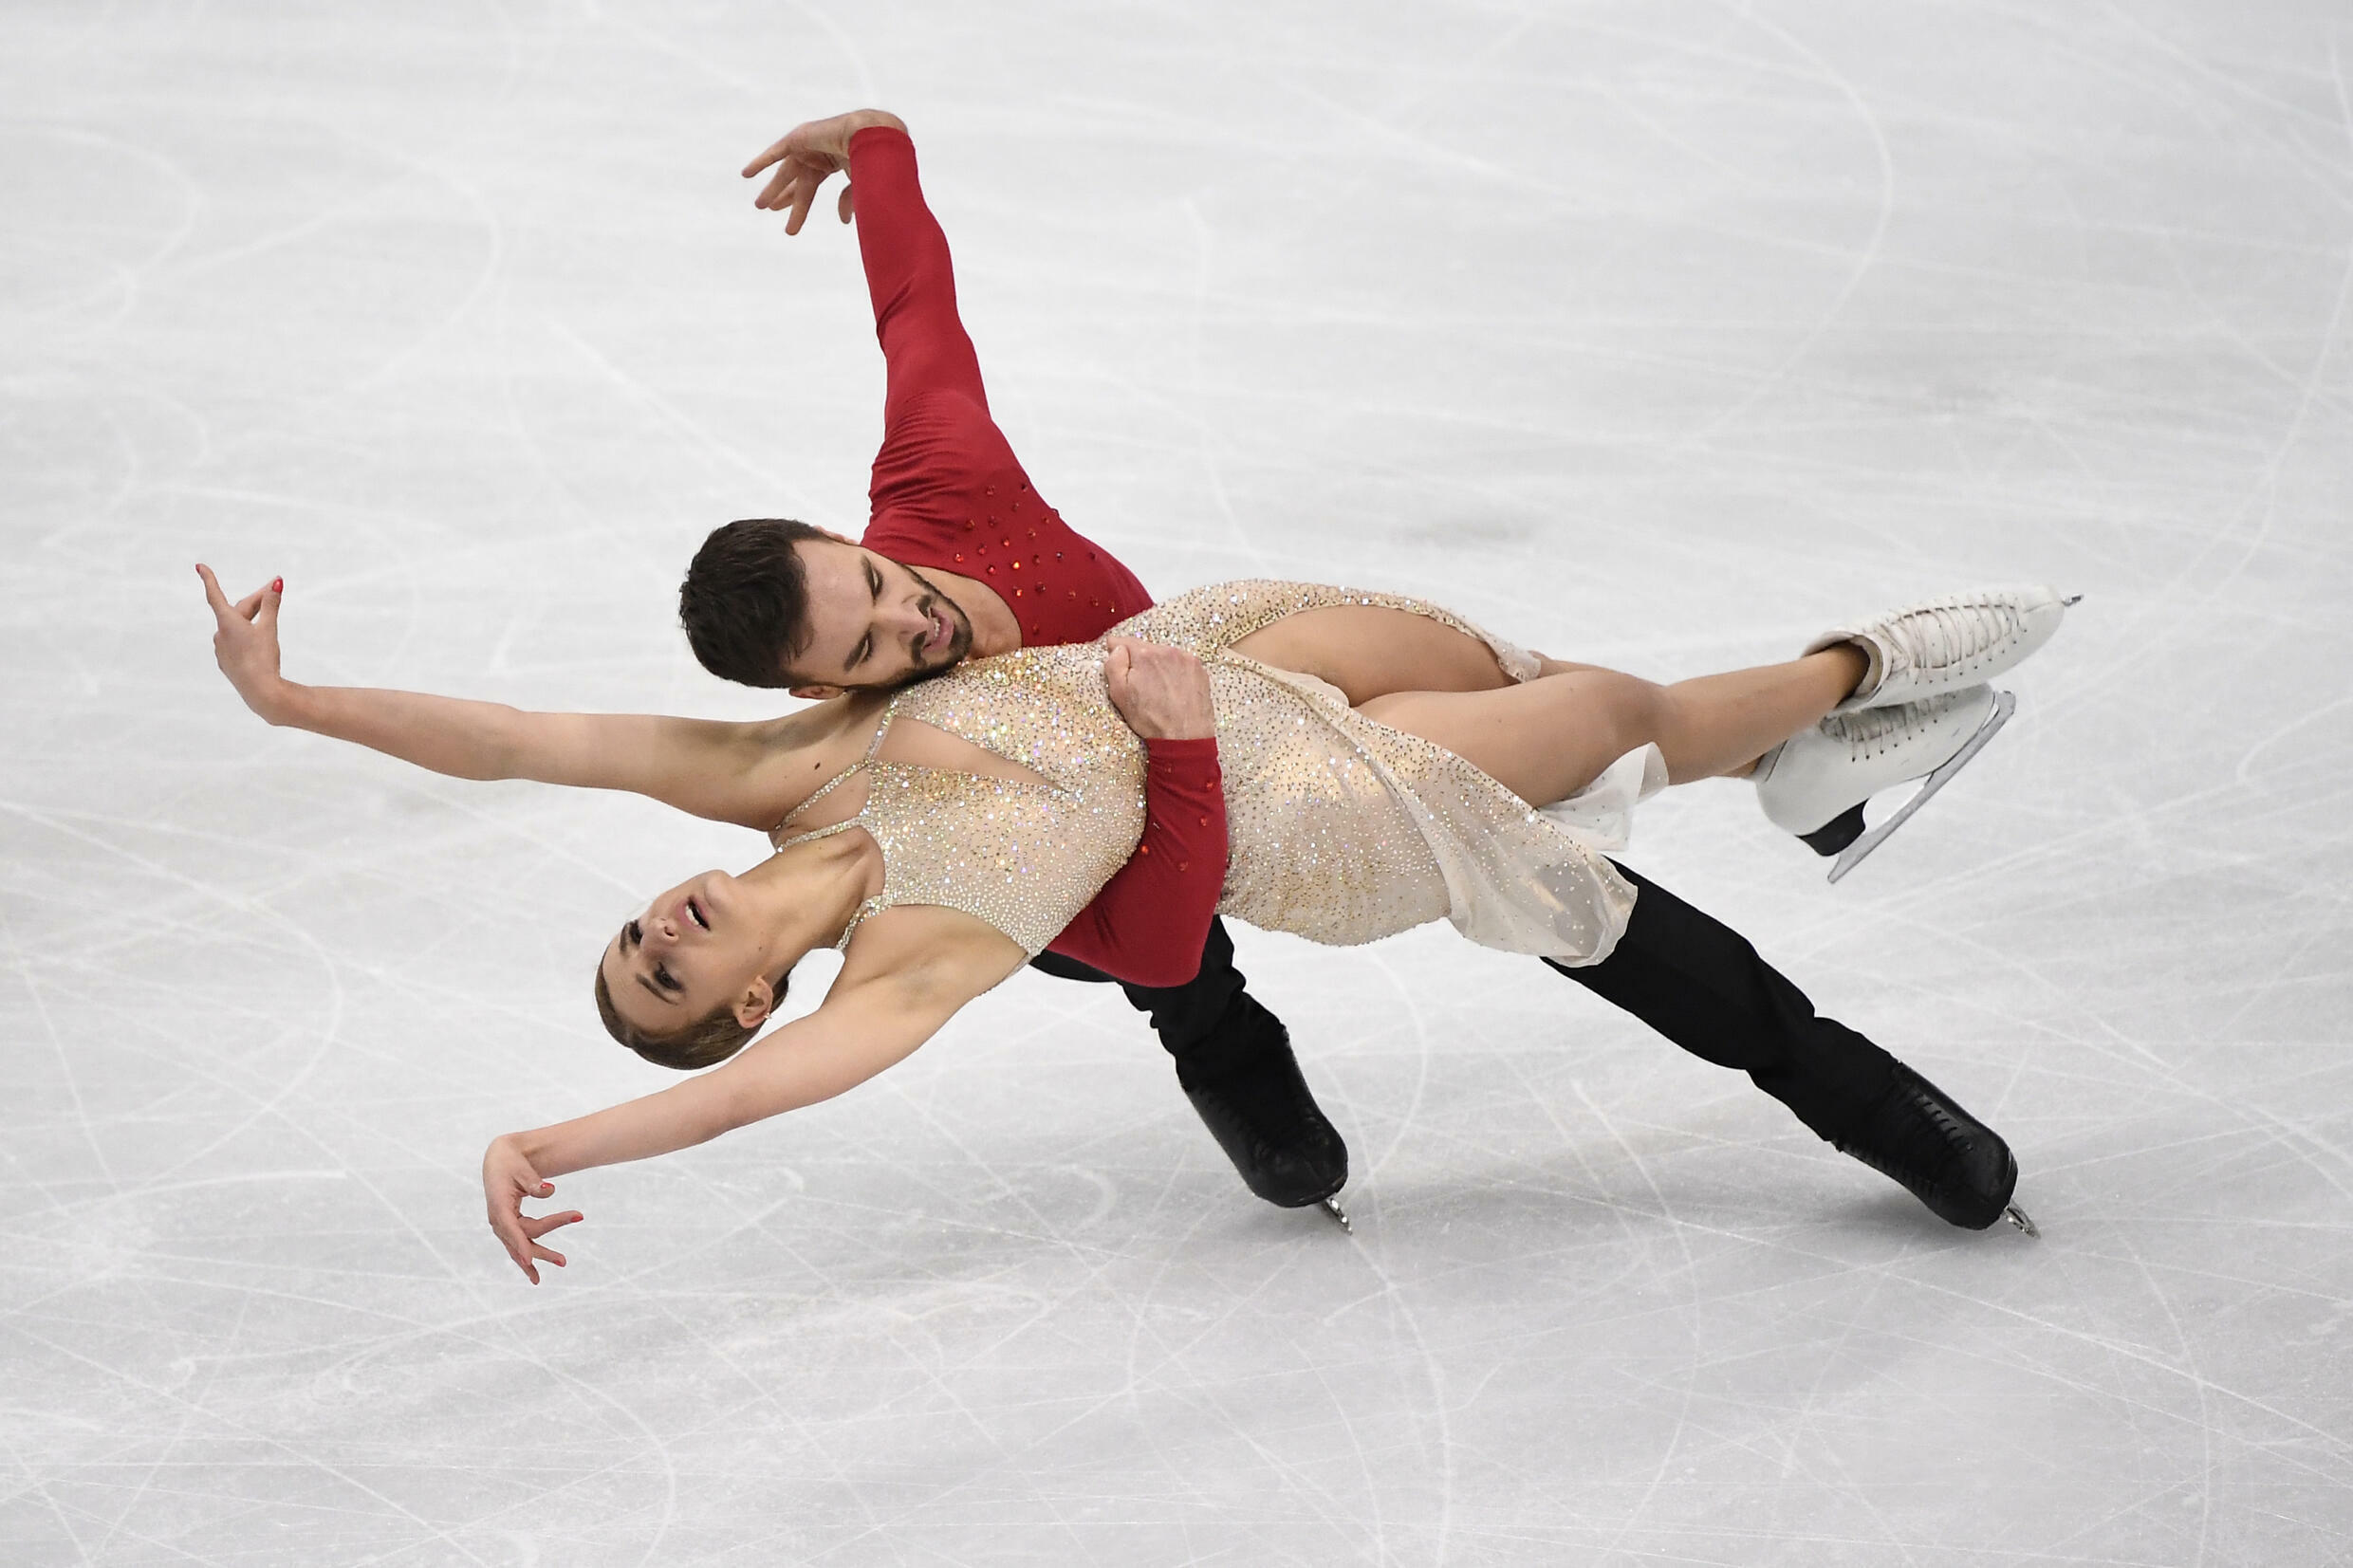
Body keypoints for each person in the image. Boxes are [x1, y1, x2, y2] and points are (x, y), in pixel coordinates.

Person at [670, 111, 2060, 1228]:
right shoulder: (893, 754)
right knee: (1201, 931)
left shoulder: (940, 482)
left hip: (1236, 670)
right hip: (1143, 852)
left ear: (846, 537)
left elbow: (918, 312)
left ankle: (1796, 758)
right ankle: (1233, 1055)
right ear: (820, 690)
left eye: (879, 591)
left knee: (1544, 725)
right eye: (863, 652)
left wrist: (881, 147)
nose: (911, 632)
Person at [197, 555, 2064, 1284]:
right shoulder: (907, 966)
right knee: (1609, 720)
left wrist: (299, 704)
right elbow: (748, 1105)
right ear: (754, 995)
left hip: (1219, 656)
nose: (665, 920)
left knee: (1553, 668)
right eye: (673, 971)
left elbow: (529, 739)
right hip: (1306, 816)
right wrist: (557, 1130)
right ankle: (1859, 667)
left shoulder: (779, 773)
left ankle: (1815, 763)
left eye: (634, 930)